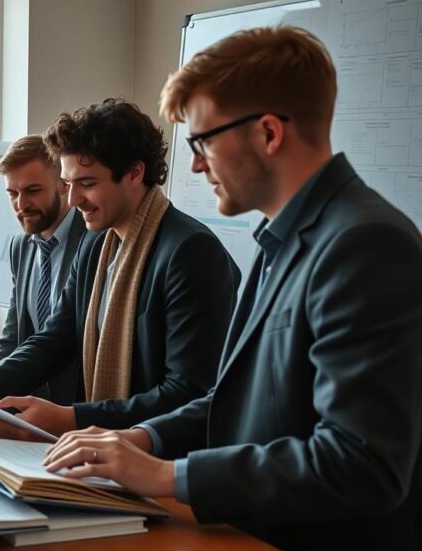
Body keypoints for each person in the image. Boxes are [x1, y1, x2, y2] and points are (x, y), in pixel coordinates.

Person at [42, 27, 422, 550]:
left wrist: (168, 477)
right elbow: (234, 399)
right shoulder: (279, 237)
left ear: (268, 133)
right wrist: (141, 438)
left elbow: (359, 463)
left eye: (204, 142)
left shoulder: (365, 244)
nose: (196, 165)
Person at [0, 98, 240, 437]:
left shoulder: (190, 251)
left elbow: (188, 393)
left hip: (161, 462)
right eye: (69, 185)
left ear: (134, 173)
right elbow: (56, 339)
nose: (72, 200)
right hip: (99, 452)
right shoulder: (97, 244)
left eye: (87, 183)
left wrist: (73, 418)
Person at [0, 135, 91, 405]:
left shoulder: (94, 241)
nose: (20, 204)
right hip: (29, 411)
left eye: (32, 191)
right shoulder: (20, 246)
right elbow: (14, 335)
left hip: (77, 410)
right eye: (13, 193)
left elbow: (70, 341)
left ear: (63, 186)